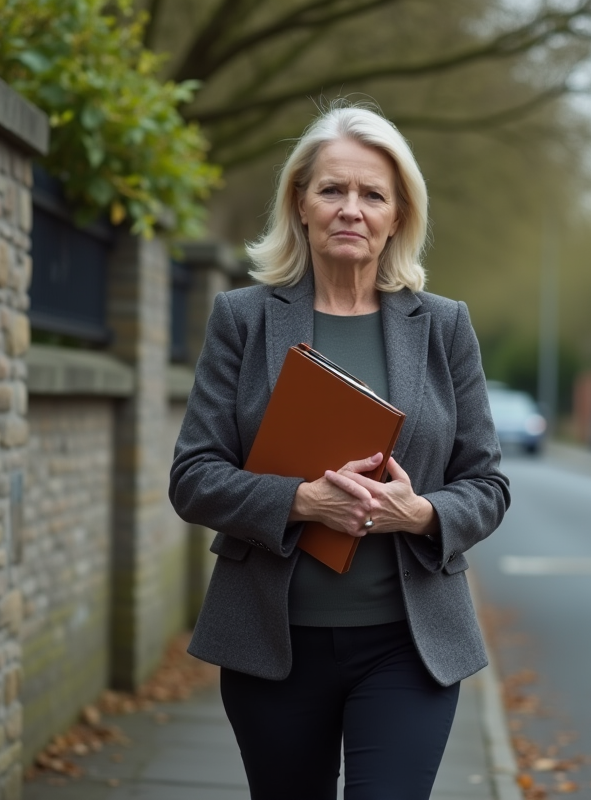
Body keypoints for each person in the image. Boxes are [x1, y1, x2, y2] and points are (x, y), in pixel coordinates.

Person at [169, 103, 511, 800]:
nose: (350, 208)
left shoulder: (444, 327)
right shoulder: (243, 319)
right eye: (332, 189)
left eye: (371, 194)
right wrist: (301, 500)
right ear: (300, 204)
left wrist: (418, 513)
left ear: (396, 214)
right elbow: (193, 477)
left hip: (407, 647)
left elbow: (487, 484)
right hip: (275, 646)